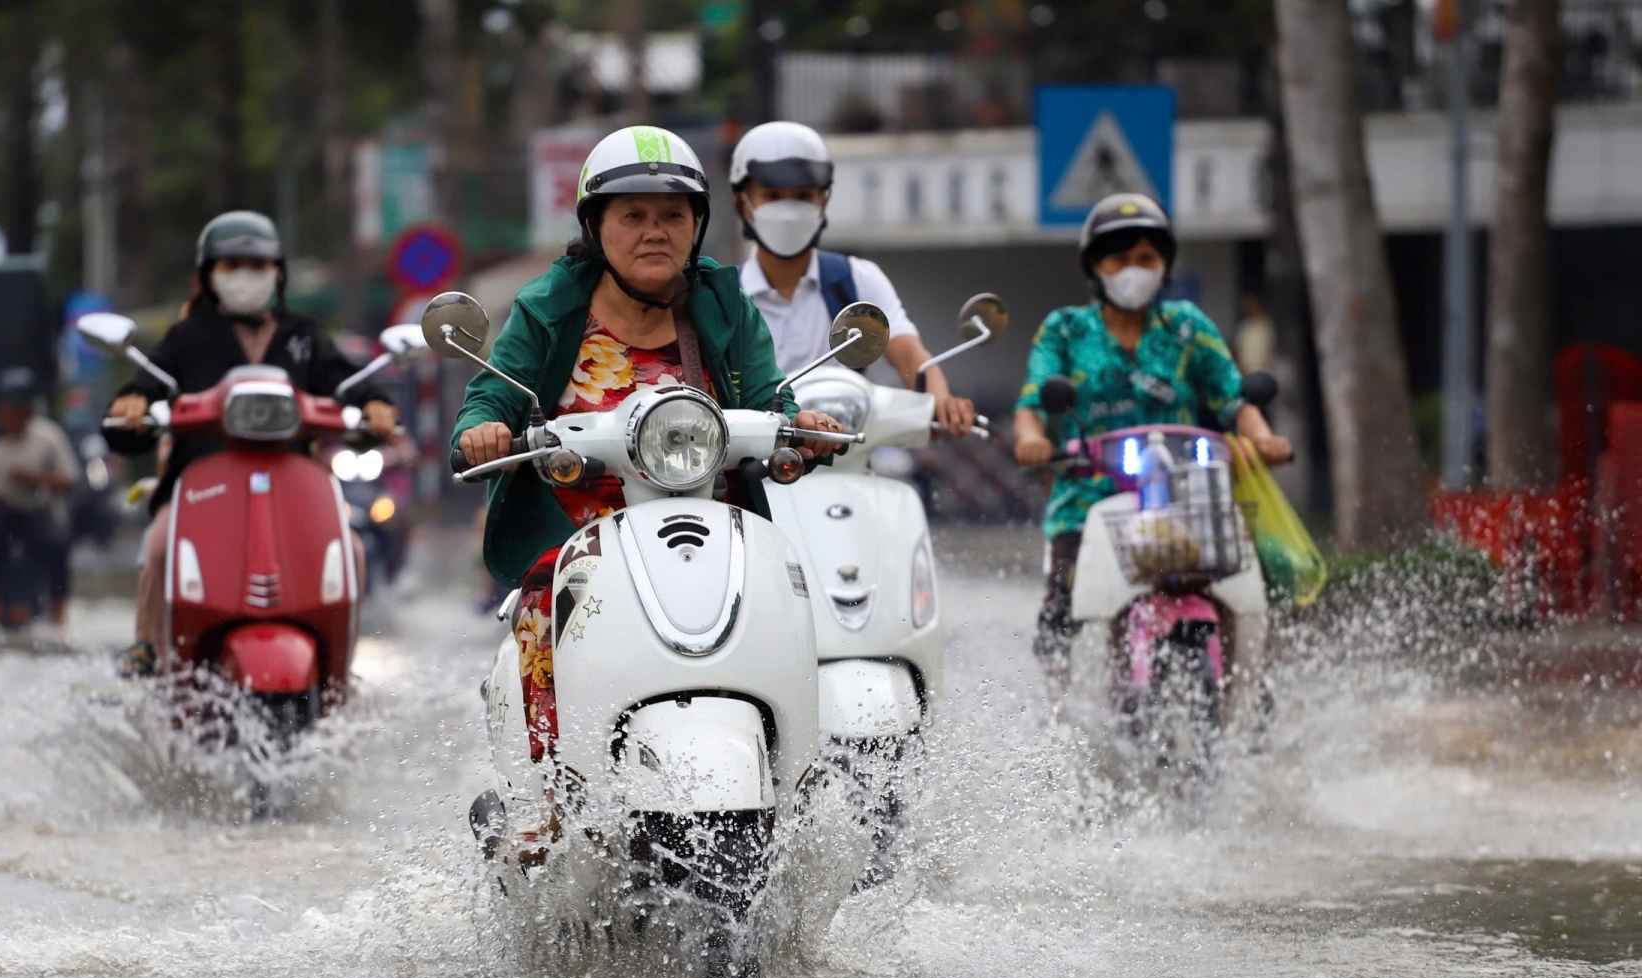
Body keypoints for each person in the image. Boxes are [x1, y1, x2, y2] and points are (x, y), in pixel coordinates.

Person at [453, 125, 848, 767]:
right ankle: (546, 797)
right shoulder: (549, 308)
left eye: (672, 214)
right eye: (632, 215)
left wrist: (800, 424)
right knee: (542, 598)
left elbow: (769, 395)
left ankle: (797, 774)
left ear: (697, 225)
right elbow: (491, 397)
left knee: (787, 588)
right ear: (595, 227)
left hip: (714, 530)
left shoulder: (722, 302)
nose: (654, 231)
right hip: (578, 539)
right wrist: (482, 430)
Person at [104, 210, 398, 676]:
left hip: (293, 483)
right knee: (161, 545)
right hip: (201, 487)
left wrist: (377, 402)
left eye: (258, 266)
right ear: (209, 274)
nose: (247, 276)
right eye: (232, 265)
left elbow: (345, 381)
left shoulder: (302, 335)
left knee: (353, 551)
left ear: (277, 273)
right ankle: (149, 648)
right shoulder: (187, 336)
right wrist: (134, 401)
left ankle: (342, 665)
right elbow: (150, 380)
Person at [1012, 194, 1293, 669]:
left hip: (1184, 491)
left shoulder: (1186, 325)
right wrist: (1031, 440)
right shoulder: (1065, 330)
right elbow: (1032, 402)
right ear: (1095, 266)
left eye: (1146, 258)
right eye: (1119, 258)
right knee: (1062, 612)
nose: (1133, 269)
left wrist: (1263, 437)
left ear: (1164, 264)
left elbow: (1233, 398)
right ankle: (1063, 713)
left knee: (1250, 589)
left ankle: (1251, 693)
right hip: (1087, 495)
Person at [728, 120, 976, 434]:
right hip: (758, 471)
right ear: (742, 204)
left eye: (803, 195)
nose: (789, 209)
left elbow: (908, 354)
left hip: (847, 455)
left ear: (824, 201)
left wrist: (939, 398)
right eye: (773, 195)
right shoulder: (723, 296)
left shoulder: (857, 280)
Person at [0, 367, 77, 626]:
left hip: (33, 511)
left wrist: (36, 478)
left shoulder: (47, 436)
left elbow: (71, 479)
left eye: (20, 409)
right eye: (9, 409)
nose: (13, 416)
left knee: (57, 543)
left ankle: (58, 613)